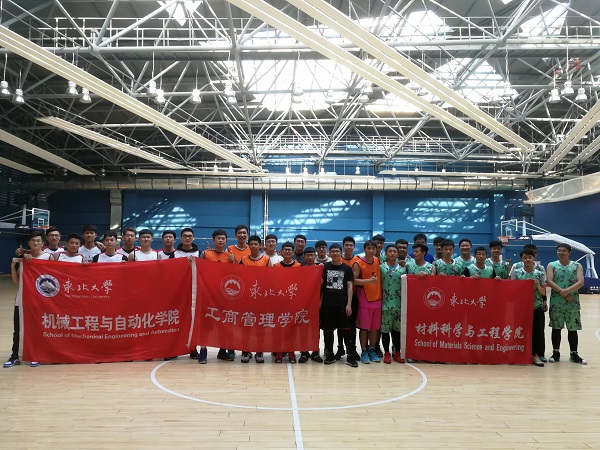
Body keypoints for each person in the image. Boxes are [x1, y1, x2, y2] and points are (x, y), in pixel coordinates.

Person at [4, 230, 52, 368]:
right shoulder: (23, 259)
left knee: (38, 328)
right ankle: (15, 356)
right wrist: (13, 265)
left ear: (43, 243)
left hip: (41, 300)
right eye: (33, 241)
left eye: (38, 241)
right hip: (22, 299)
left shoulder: (48, 257)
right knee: (18, 329)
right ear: (29, 243)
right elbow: (15, 281)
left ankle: (36, 355)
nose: (35, 243)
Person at [546, 243, 586, 365]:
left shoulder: (577, 266)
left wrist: (567, 291)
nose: (561, 253)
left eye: (564, 251)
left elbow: (581, 282)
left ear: (569, 253)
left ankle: (574, 354)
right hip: (556, 301)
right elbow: (549, 280)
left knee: (573, 328)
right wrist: (561, 291)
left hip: (572, 301)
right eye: (559, 250)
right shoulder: (552, 265)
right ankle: (556, 353)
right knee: (556, 327)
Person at [200, 229, 235, 362]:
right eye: (218, 238)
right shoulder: (205, 253)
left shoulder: (229, 256)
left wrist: (234, 262)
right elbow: (199, 270)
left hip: (224, 295)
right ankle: (203, 350)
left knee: (224, 323)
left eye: (223, 238)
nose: (221, 240)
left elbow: (235, 275)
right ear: (213, 240)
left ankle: (223, 351)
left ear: (226, 241)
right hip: (208, 294)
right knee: (206, 324)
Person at [320, 244, 356, 367]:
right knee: (328, 331)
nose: (335, 253)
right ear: (329, 254)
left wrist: (349, 304)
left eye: (337, 251)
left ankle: (350, 356)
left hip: (342, 305)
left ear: (341, 253)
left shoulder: (347, 269)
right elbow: (320, 282)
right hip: (328, 305)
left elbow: (350, 287)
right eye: (333, 251)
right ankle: (329, 355)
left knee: (346, 331)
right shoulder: (325, 267)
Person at [511, 248, 547, 367]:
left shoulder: (540, 273)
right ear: (521, 259)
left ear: (534, 259)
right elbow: (512, 289)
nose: (527, 260)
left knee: (537, 330)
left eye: (530, 257)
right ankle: (518, 353)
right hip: (521, 306)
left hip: (536, 306)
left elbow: (543, 292)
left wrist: (537, 285)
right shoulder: (516, 272)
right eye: (525, 257)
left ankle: (536, 354)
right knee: (519, 330)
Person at [239, 235, 271, 364]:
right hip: (247, 297)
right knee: (246, 325)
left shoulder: (266, 259)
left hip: (261, 298)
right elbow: (239, 276)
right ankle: (245, 351)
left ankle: (259, 351)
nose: (253, 246)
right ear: (248, 246)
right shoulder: (243, 259)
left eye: (256, 244)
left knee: (260, 326)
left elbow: (271, 277)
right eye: (251, 244)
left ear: (260, 246)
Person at [173, 228, 203, 362]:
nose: (187, 238)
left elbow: (203, 271)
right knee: (177, 319)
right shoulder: (174, 254)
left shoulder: (199, 253)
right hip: (178, 290)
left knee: (193, 320)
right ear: (181, 238)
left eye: (190, 236)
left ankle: (193, 348)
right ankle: (175, 349)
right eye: (185, 236)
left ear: (193, 238)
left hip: (194, 291)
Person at [353, 240, 382, 364]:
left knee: (374, 328)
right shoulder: (358, 263)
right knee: (364, 328)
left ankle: (372, 349)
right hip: (364, 299)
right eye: (368, 248)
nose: (371, 250)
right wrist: (369, 281)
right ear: (364, 249)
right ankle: (364, 351)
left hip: (377, 298)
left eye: (373, 248)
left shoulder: (377, 260)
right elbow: (353, 280)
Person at [273, 242, 302, 363]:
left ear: (293, 252)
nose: (287, 252)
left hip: (293, 301)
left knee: (292, 327)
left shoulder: (298, 266)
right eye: (285, 250)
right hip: (279, 301)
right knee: (280, 327)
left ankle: (291, 351)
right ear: (281, 251)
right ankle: (279, 351)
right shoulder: (276, 266)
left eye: (290, 250)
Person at [380, 245, 406, 364]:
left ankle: (397, 352)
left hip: (399, 305)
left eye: (394, 251)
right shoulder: (381, 268)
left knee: (397, 331)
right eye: (390, 251)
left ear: (398, 254)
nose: (392, 253)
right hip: (385, 305)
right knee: (385, 330)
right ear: (385, 254)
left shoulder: (403, 270)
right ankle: (386, 352)